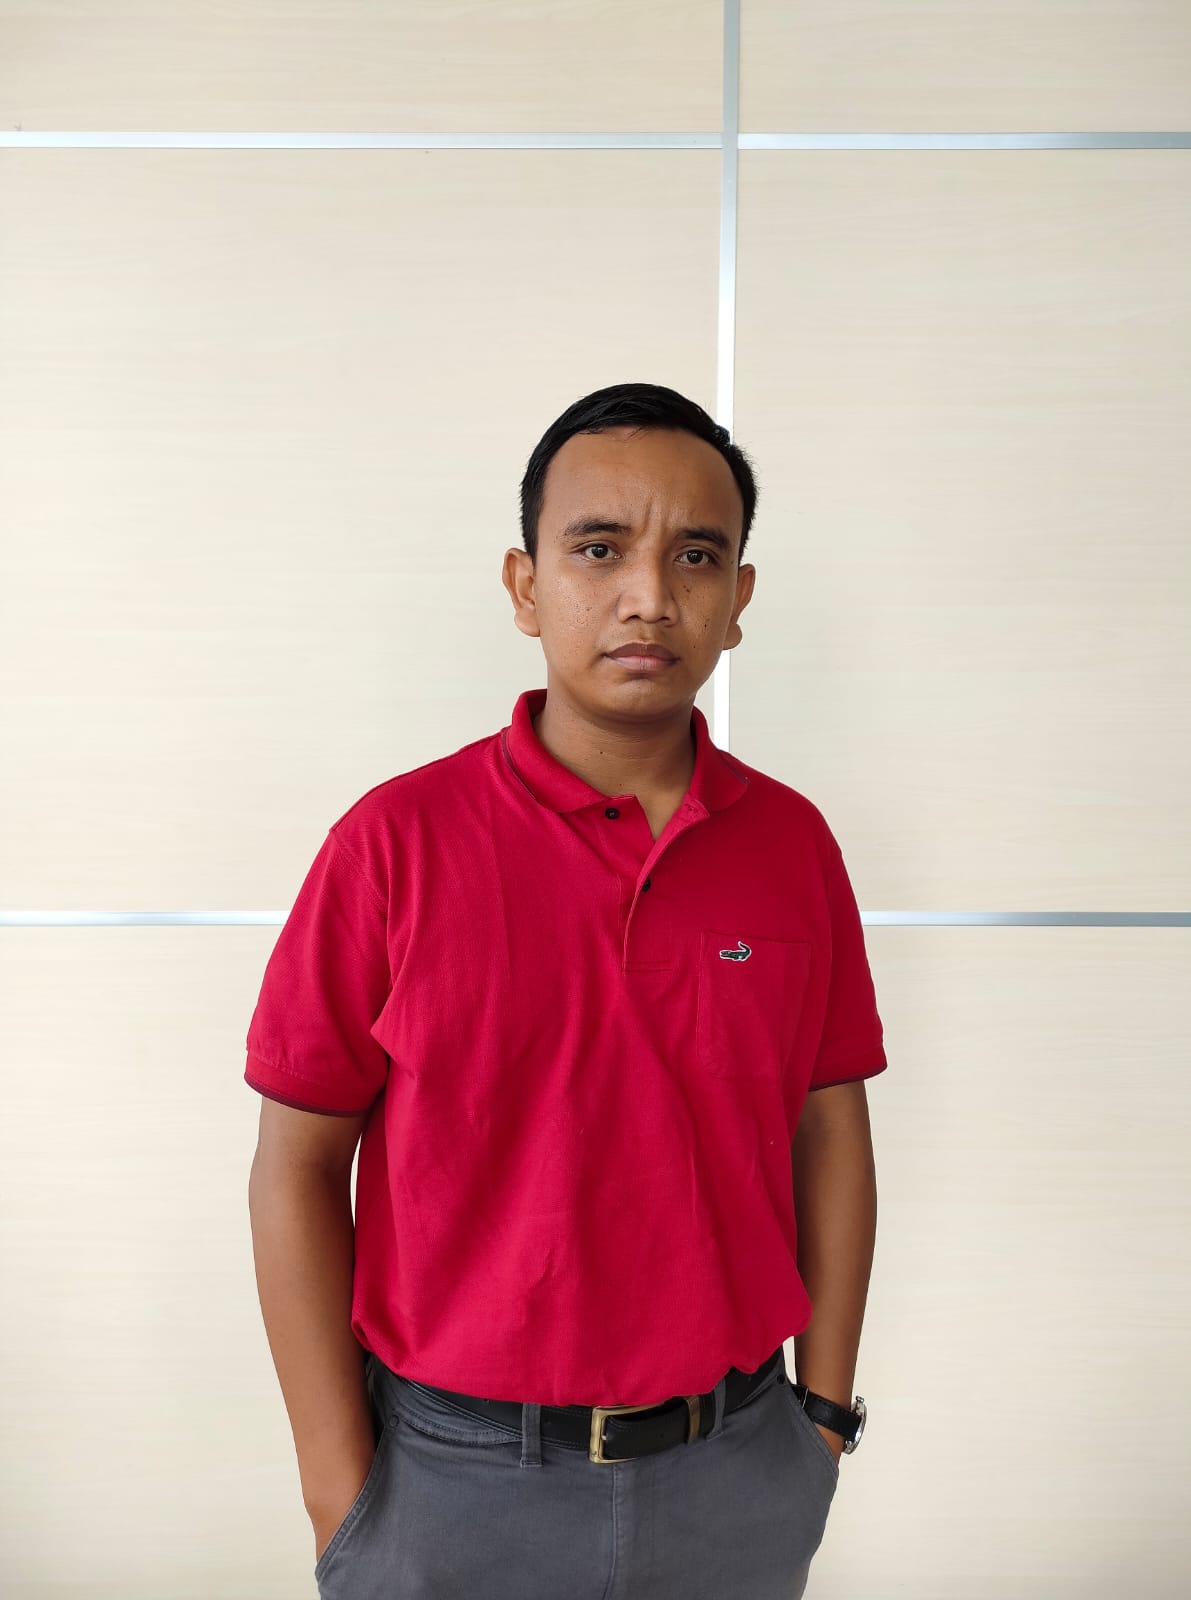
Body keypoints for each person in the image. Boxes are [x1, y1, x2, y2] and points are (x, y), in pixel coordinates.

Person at [245, 381, 887, 1599]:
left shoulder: (793, 845)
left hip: (738, 1472)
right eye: (599, 549)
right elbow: (295, 1166)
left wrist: (822, 1416)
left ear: (739, 599)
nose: (650, 594)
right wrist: (343, 1494)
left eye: (696, 555)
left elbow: (831, 1131)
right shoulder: (393, 845)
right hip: (452, 1486)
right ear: (525, 584)